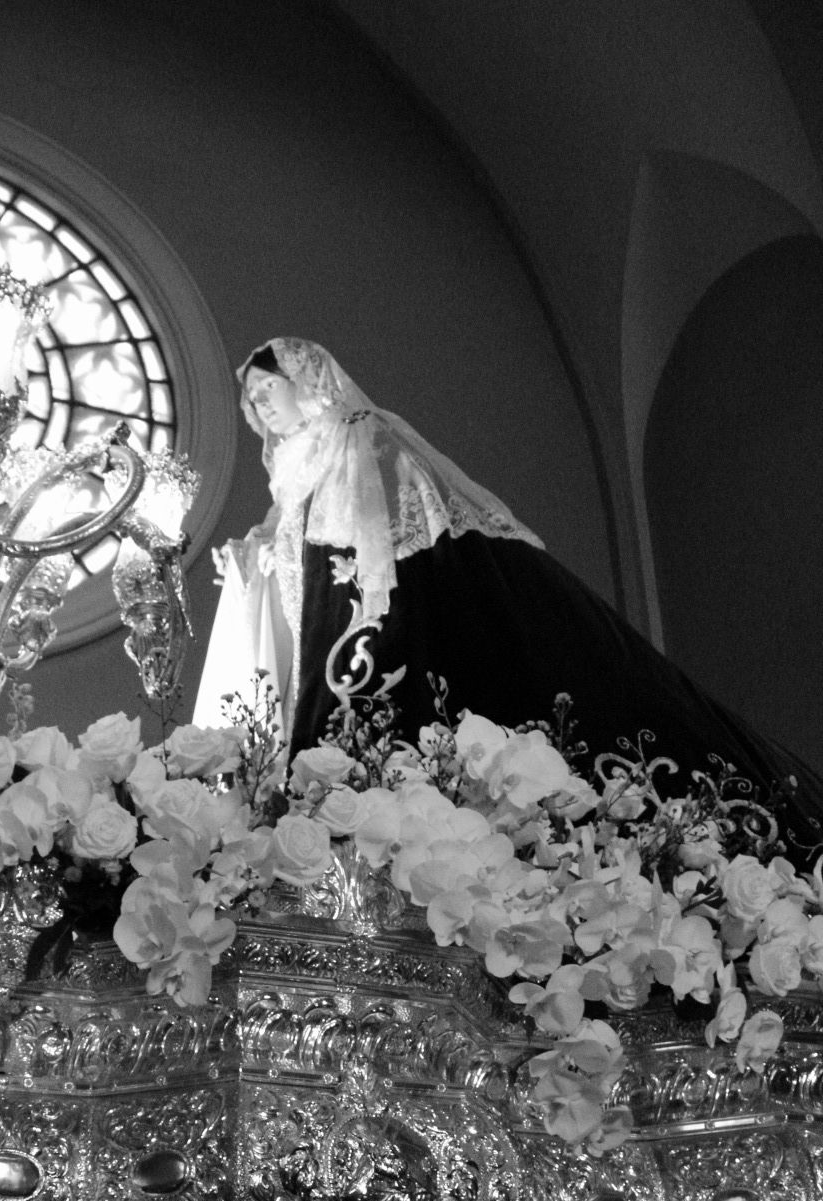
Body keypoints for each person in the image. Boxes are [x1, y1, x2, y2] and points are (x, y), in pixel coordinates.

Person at [194, 336, 823, 851]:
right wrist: (248, 557)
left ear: (306, 380)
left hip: (388, 618)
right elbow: (290, 548)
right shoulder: (298, 474)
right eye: (252, 399)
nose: (260, 404)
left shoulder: (357, 433)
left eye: (268, 388)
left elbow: (360, 542)